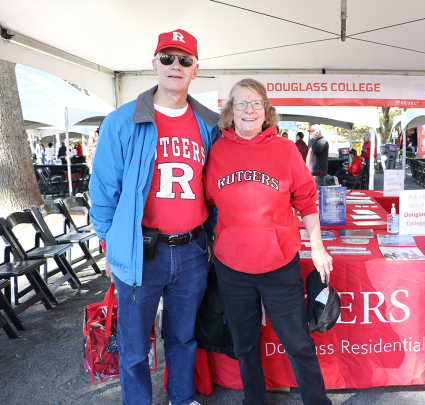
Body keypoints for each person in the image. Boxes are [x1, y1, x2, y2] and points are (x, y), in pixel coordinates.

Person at [89, 28, 219, 405]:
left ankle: (181, 398)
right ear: (154, 64)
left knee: (182, 336)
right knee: (133, 345)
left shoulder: (208, 124)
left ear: (195, 69)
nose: (175, 65)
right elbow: (103, 194)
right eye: (167, 57)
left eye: (184, 60)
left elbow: (214, 188)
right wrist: (110, 248)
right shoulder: (122, 121)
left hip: (192, 248)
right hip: (139, 249)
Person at [204, 78, 333, 405]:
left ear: (266, 110)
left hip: (279, 266)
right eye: (241, 103)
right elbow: (204, 202)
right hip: (232, 267)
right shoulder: (216, 151)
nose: (249, 109)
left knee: (298, 344)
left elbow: (306, 198)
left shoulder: (286, 150)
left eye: (256, 103)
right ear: (230, 112)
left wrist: (317, 246)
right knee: (245, 346)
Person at [306, 124, 329, 188]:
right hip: (313, 172)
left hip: (318, 172)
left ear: (318, 131)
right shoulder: (315, 142)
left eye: (312, 132)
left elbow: (316, 149)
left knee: (318, 192)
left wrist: (312, 139)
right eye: (310, 132)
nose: (311, 134)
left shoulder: (323, 141)